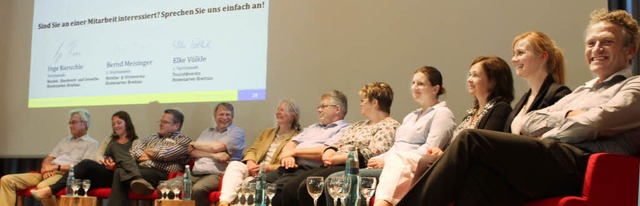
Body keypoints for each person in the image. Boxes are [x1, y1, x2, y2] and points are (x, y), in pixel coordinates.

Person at [397, 8, 640, 206]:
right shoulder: (580, 91)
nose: (596, 49)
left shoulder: (634, 86)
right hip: (550, 158)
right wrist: (570, 116)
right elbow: (528, 122)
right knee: (477, 179)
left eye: (607, 42)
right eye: (591, 43)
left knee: (471, 139)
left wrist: (555, 129)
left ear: (630, 50)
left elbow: (594, 123)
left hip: (580, 165)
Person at [373, 60, 515, 206]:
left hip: (471, 167)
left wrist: (443, 153)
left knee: (409, 160)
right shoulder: (471, 114)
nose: (469, 79)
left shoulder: (500, 109)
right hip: (447, 161)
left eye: (475, 75)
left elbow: (483, 146)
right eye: (469, 74)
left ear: (493, 81)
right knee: (399, 160)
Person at [285, 82, 400, 206]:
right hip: (332, 163)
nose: (360, 103)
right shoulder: (359, 124)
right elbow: (338, 143)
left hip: (352, 167)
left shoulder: (390, 126)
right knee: (290, 189)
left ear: (374, 103)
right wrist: (328, 152)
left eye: (363, 100)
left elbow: (371, 153)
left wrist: (338, 159)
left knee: (306, 189)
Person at [30, 111, 140, 206]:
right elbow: (98, 155)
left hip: (118, 176)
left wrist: (115, 166)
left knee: (86, 163)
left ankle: (51, 189)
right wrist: (104, 162)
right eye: (113, 124)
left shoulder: (135, 142)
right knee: (80, 183)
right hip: (104, 171)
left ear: (127, 123)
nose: (115, 126)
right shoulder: (109, 139)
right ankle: (52, 190)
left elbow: (132, 162)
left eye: (119, 123)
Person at [0, 109, 99, 206]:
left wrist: (55, 167)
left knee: (42, 187)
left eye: (73, 122)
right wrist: (45, 168)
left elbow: (83, 168)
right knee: (7, 180)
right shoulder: (65, 141)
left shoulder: (92, 144)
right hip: (47, 173)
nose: (70, 126)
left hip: (64, 175)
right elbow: (49, 158)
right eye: (69, 123)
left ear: (84, 124)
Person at [270, 90, 351, 206]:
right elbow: (291, 143)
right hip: (289, 167)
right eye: (319, 106)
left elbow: (325, 152)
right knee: (257, 184)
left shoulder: (345, 129)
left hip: (310, 170)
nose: (319, 110)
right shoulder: (313, 127)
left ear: (337, 109)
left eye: (323, 106)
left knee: (278, 191)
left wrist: (294, 153)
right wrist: (288, 156)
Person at [218, 99, 302, 206]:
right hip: (254, 169)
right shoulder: (267, 132)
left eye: (282, 110)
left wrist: (267, 168)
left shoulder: (297, 138)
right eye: (278, 109)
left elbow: (289, 165)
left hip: (270, 174)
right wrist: (250, 162)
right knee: (234, 165)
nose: (278, 112)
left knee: (248, 184)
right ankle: (224, 202)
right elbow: (252, 150)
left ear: (293, 116)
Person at [107, 109, 191, 206]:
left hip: (161, 174)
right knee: (115, 148)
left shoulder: (184, 140)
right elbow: (132, 153)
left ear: (177, 126)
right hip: (140, 169)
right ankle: (137, 177)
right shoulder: (150, 138)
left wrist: (146, 152)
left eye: (165, 122)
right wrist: (154, 154)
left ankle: (136, 177)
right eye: (161, 121)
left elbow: (163, 154)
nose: (161, 124)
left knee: (120, 171)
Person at [168, 103, 245, 206]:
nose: (224, 117)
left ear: (232, 116)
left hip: (217, 174)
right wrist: (215, 155)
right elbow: (191, 151)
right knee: (168, 186)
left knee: (198, 189)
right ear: (215, 116)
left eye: (228, 114)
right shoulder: (207, 132)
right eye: (221, 114)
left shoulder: (237, 132)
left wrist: (195, 144)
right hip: (195, 174)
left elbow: (216, 147)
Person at [505, 31, 572, 134]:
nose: (514, 59)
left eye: (520, 53)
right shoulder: (525, 98)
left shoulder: (559, 94)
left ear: (543, 56)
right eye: (514, 54)